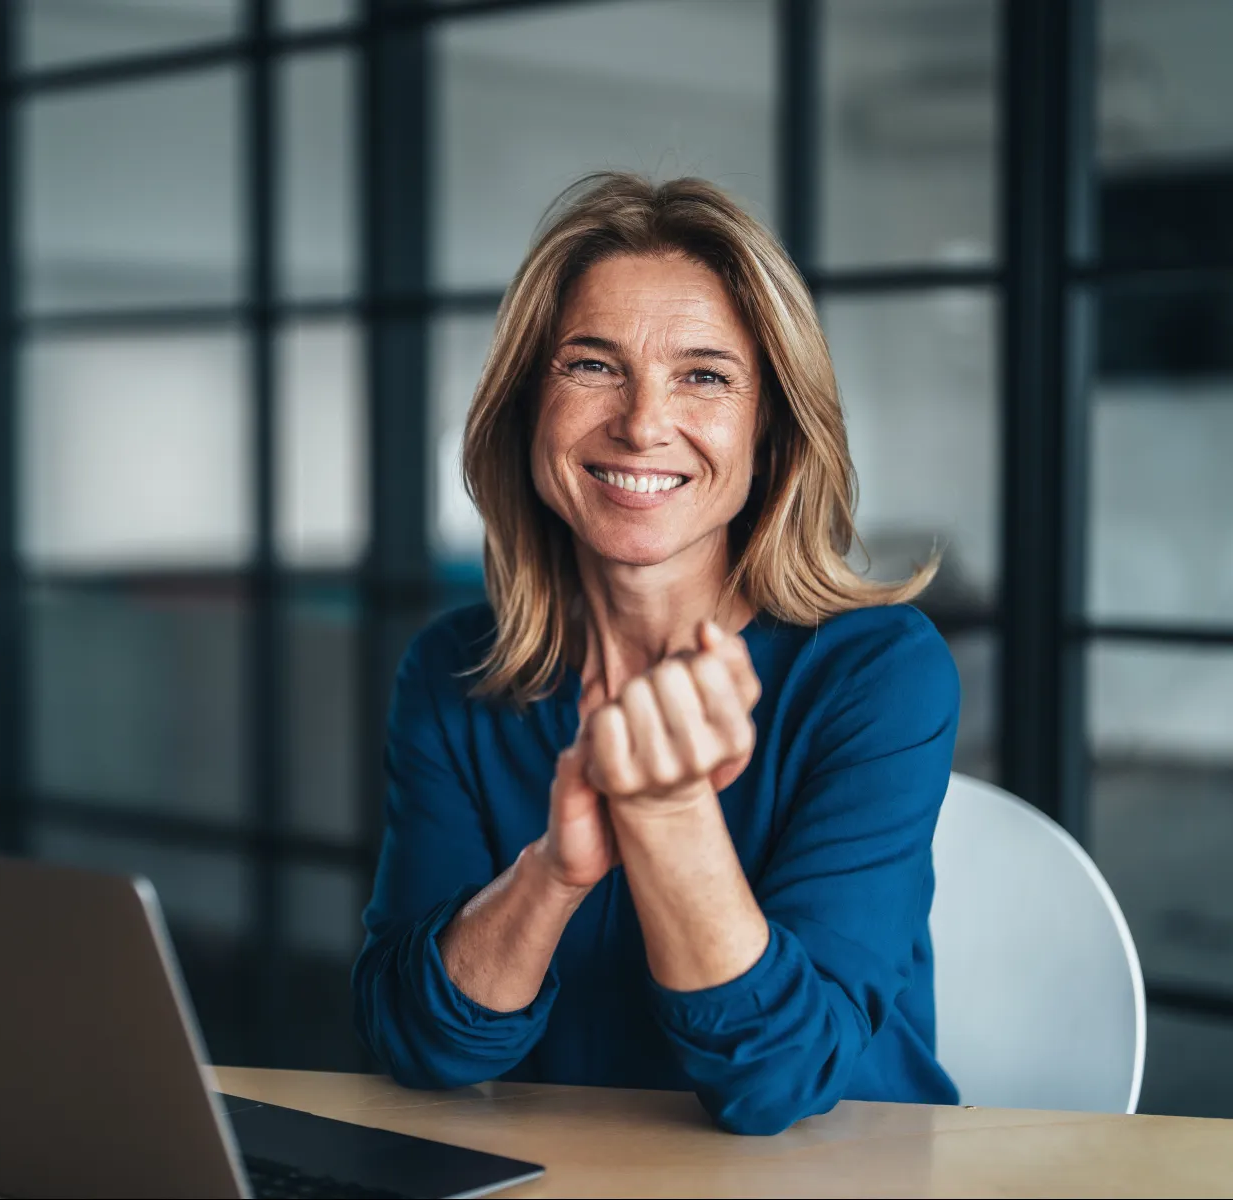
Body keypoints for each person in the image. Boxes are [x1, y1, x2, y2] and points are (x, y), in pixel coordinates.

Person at [352, 172, 960, 1135]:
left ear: (771, 428)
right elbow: (416, 1043)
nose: (641, 422)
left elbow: (781, 1084)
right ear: (526, 407)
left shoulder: (877, 671)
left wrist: (669, 812)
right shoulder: (454, 672)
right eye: (591, 365)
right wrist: (555, 871)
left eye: (705, 375)